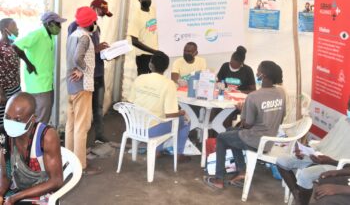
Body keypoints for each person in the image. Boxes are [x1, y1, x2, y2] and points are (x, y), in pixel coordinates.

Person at [203, 61, 286, 189]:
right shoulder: (281, 93)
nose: (256, 73)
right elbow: (280, 118)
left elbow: (247, 125)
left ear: (262, 75)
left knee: (221, 137)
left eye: (258, 71)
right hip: (269, 139)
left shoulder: (253, 96)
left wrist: (243, 111)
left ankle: (218, 179)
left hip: (255, 140)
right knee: (230, 132)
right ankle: (241, 171)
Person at [276, 97, 350, 205]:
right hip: (321, 156)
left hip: (337, 165)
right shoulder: (343, 120)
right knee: (282, 161)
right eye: (348, 106)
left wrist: (330, 161)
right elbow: (325, 143)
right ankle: (297, 194)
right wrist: (306, 150)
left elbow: (346, 165)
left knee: (305, 175)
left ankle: (301, 202)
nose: (347, 110)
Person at [0, 92, 63, 204]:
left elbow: (56, 180)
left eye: (18, 120)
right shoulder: (4, 136)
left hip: (43, 192)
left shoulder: (46, 136)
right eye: (7, 117)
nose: (10, 123)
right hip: (17, 190)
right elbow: (6, 176)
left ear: (32, 119)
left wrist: (16, 197)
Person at [128, 51, 191, 163]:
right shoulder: (168, 84)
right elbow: (170, 114)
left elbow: (131, 102)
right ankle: (178, 154)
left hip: (134, 126)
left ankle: (158, 151)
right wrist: (181, 113)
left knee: (160, 118)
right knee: (185, 120)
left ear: (150, 64)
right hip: (151, 130)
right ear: (166, 67)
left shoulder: (140, 78)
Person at [68, 0, 113, 143]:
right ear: (92, 8)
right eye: (100, 12)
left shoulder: (95, 27)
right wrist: (95, 51)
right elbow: (77, 54)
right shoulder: (76, 27)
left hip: (97, 71)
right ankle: (80, 147)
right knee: (82, 116)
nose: (100, 17)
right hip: (83, 77)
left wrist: (106, 53)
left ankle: (98, 135)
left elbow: (89, 51)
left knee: (97, 108)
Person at [12, 11, 67, 124]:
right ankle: (37, 140)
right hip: (38, 85)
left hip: (46, 84)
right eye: (58, 24)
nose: (60, 27)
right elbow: (15, 45)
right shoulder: (37, 34)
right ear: (49, 24)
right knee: (40, 120)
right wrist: (28, 63)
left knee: (43, 117)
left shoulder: (49, 36)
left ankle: (38, 139)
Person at [65, 6, 101, 175]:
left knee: (71, 125)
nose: (96, 22)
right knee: (81, 126)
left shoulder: (73, 34)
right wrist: (84, 69)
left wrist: (78, 68)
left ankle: (69, 160)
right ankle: (80, 165)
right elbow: (77, 58)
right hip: (82, 87)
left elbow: (74, 58)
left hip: (72, 86)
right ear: (90, 22)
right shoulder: (85, 37)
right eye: (95, 20)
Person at [129, 0, 159, 75]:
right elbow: (134, 41)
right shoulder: (136, 16)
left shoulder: (154, 11)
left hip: (155, 56)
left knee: (154, 82)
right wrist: (153, 51)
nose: (147, 0)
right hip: (143, 57)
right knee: (144, 83)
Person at [0, 18, 21, 125]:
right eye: (14, 27)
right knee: (3, 121)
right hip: (5, 92)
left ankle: (11, 141)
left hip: (16, 89)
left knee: (14, 120)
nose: (17, 29)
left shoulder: (13, 45)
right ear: (5, 30)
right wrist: (1, 93)